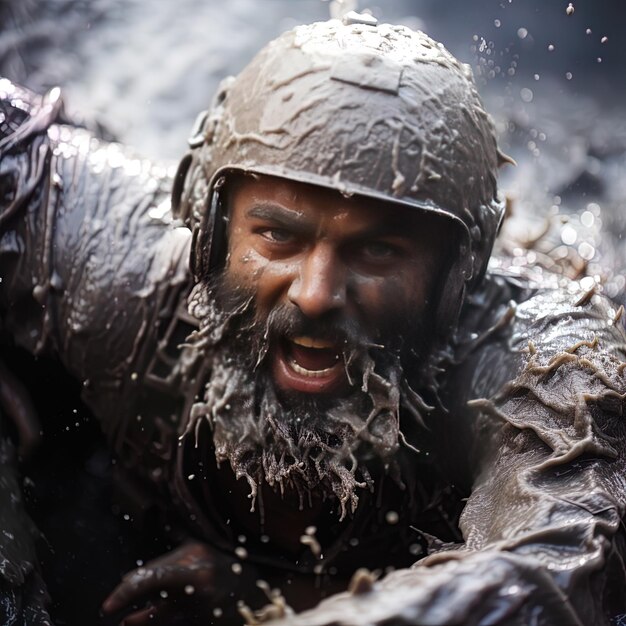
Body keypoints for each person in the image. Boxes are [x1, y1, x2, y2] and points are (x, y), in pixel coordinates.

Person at [1, 14, 625, 626]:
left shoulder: (538, 360)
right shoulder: (116, 266)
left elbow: (559, 563)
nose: (317, 293)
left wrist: (290, 601)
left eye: (378, 250)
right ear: (212, 231)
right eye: (276, 235)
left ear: (455, 275)